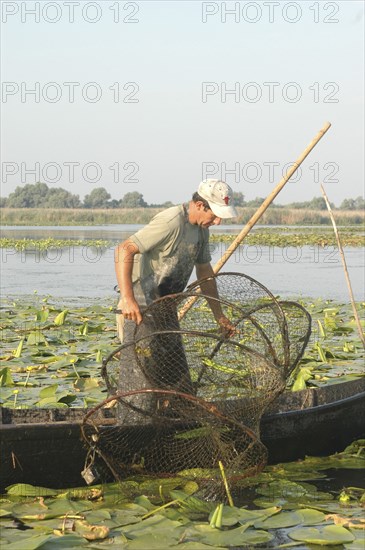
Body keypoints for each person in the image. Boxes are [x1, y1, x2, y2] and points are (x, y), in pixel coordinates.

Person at [114, 179, 238, 421]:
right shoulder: (171, 222)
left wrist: (219, 316)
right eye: (215, 214)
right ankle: (132, 428)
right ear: (200, 205)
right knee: (140, 379)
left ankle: (172, 423)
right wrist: (127, 299)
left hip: (165, 308)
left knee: (176, 375)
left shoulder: (202, 231)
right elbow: (123, 250)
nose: (218, 221)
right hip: (140, 308)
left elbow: (204, 273)